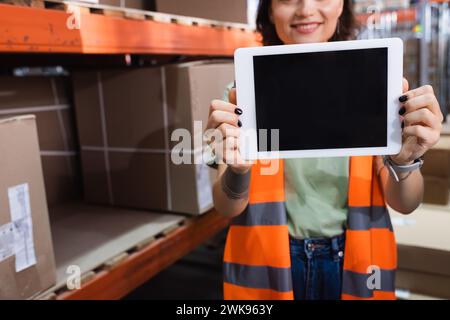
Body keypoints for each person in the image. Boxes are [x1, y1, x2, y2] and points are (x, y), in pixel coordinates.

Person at [205, 0, 443, 300]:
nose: (306, 9)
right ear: (268, 10)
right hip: (270, 262)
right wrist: (238, 170)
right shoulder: (241, 95)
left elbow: (405, 203)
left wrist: (405, 159)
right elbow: (227, 206)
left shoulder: (374, 88)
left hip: (352, 260)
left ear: (342, 6)